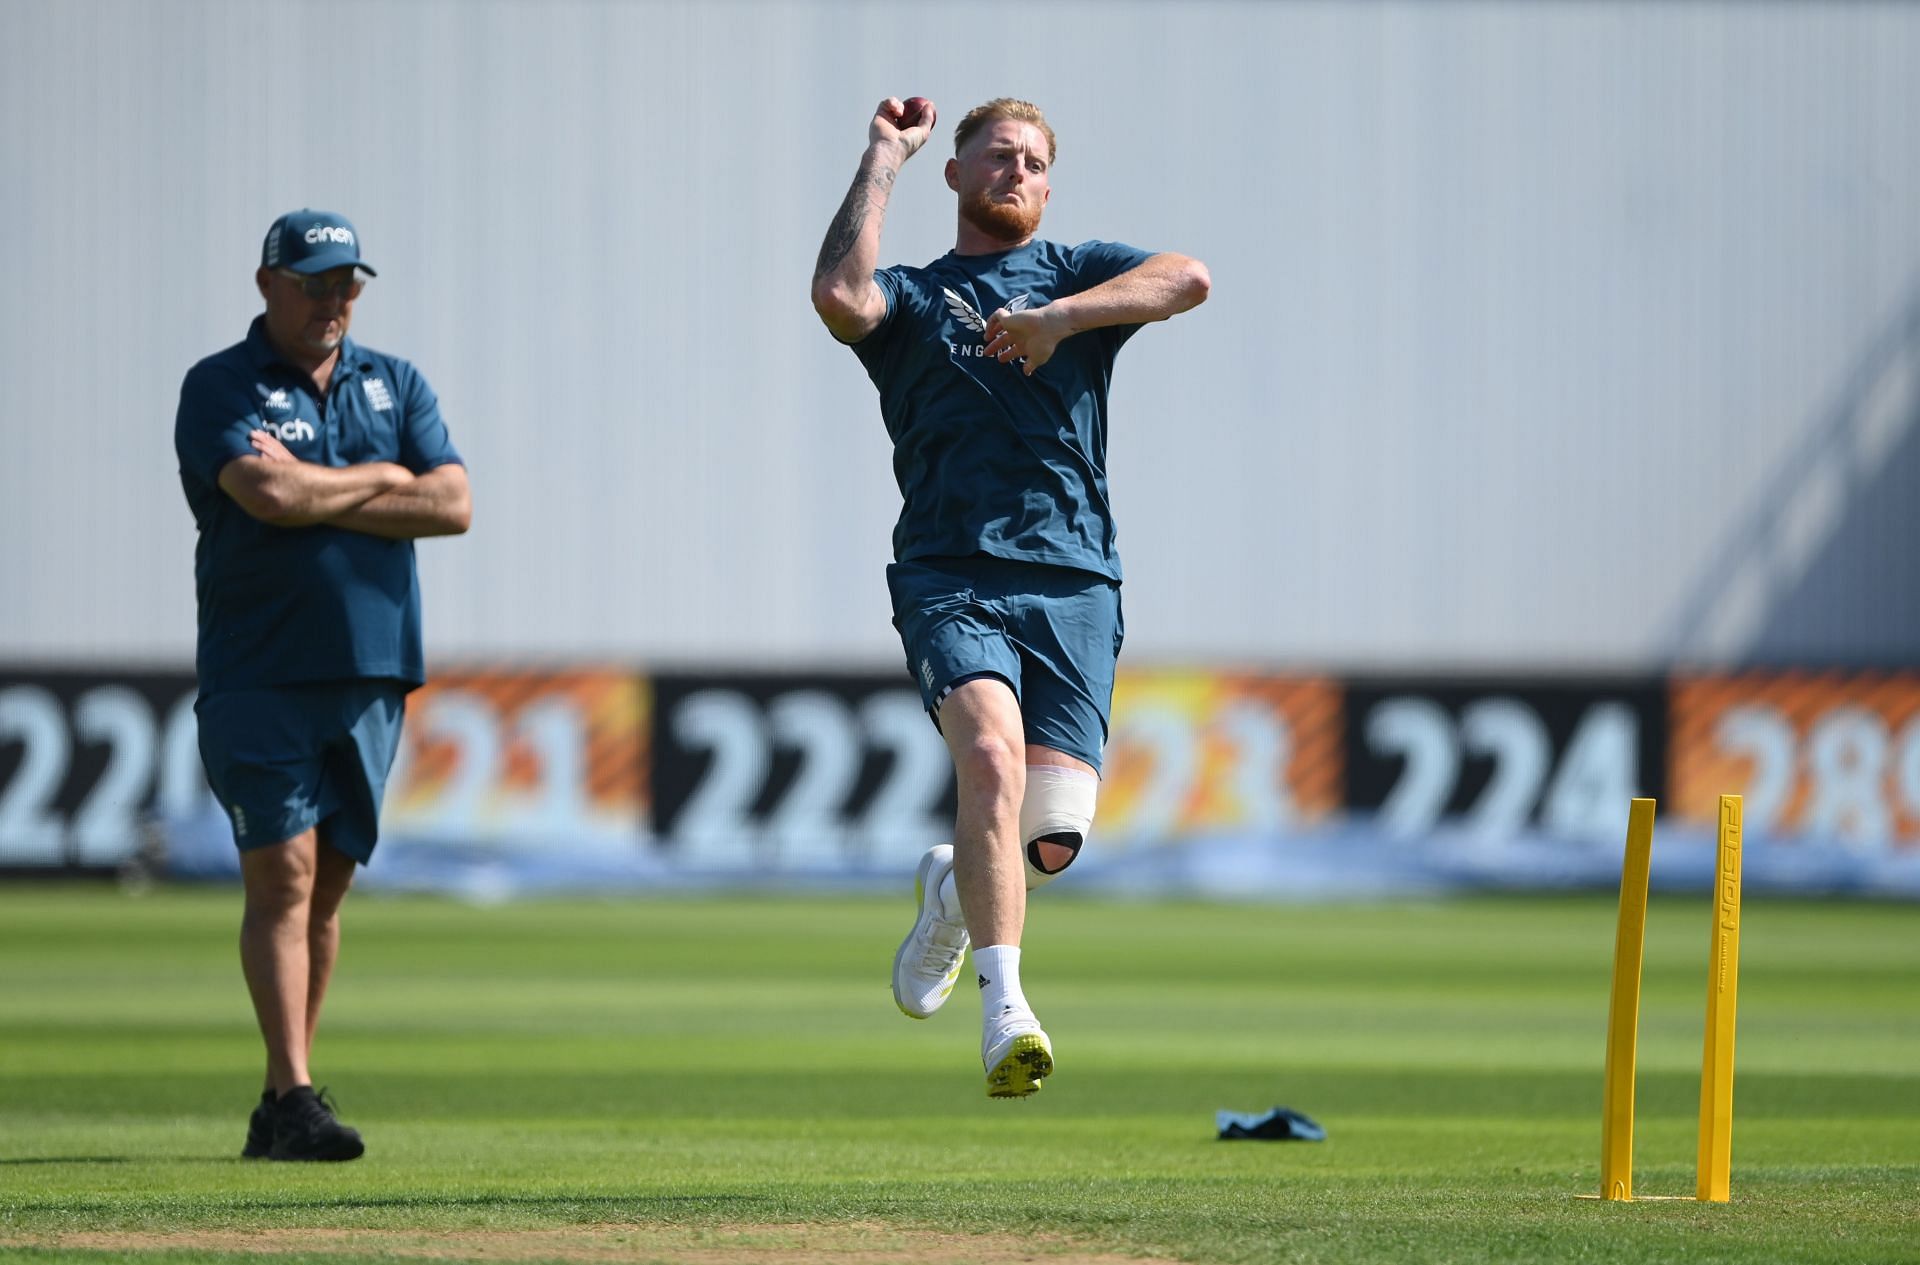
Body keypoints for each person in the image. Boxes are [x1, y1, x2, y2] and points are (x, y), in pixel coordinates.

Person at [810, 98, 1209, 1097]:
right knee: (987, 757)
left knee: (1050, 839)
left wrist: (1057, 322)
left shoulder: (1075, 273)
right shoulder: (912, 296)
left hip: (1078, 579)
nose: (1018, 171)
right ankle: (1007, 1011)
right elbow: (837, 296)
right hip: (952, 573)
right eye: (998, 156)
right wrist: (883, 156)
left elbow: (1189, 278)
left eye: (1034, 161)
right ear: (957, 175)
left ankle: (952, 893)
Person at [174, 210, 471, 1159]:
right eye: (315, 282)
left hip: (372, 666)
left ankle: (279, 1103)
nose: (334, 299)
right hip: (258, 667)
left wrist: (331, 480)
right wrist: (382, 481)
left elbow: (454, 501)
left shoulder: (396, 382)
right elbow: (264, 495)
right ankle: (296, 1090)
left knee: (329, 885)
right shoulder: (221, 383)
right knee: (284, 872)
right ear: (268, 283)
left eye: (348, 282)